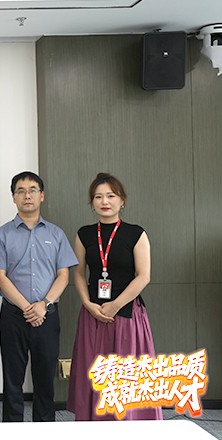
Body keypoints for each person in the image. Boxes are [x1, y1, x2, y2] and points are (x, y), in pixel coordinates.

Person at [67, 172, 161, 421]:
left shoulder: (136, 233)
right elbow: (78, 273)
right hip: (93, 314)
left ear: (122, 200)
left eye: (111, 195)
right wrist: (87, 304)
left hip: (127, 315)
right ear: (92, 202)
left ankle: (129, 426)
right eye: (98, 197)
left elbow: (144, 276)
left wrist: (115, 305)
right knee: (95, 371)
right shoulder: (84, 234)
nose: (104, 201)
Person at [0, 171, 77, 422]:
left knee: (45, 380)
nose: (26, 195)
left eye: (32, 190)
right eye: (20, 191)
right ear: (13, 197)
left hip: (47, 316)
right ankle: (13, 432)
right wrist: (27, 308)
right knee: (12, 380)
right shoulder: (1, 234)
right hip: (13, 316)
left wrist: (43, 305)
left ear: (42, 196)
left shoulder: (56, 234)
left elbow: (63, 276)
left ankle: (44, 432)